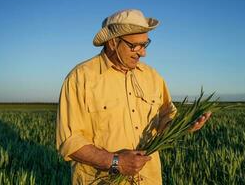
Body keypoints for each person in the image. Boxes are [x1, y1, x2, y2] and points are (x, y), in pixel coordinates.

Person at [56, 9, 211, 185]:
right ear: (113, 42)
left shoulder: (152, 76)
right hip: (101, 181)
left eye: (145, 44)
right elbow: (69, 141)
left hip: (149, 179)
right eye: (135, 45)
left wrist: (183, 125)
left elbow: (166, 117)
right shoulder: (80, 78)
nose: (142, 53)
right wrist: (116, 162)